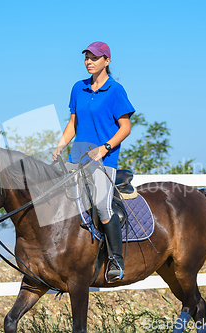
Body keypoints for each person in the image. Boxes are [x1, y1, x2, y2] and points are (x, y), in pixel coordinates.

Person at [52, 41, 135, 283]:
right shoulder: (78, 88)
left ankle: (116, 260)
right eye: (87, 57)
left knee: (101, 206)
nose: (89, 61)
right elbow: (73, 123)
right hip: (76, 157)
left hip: (104, 160)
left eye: (95, 58)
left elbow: (125, 127)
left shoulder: (116, 90)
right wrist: (60, 145)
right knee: (56, 202)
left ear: (106, 61)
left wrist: (105, 148)